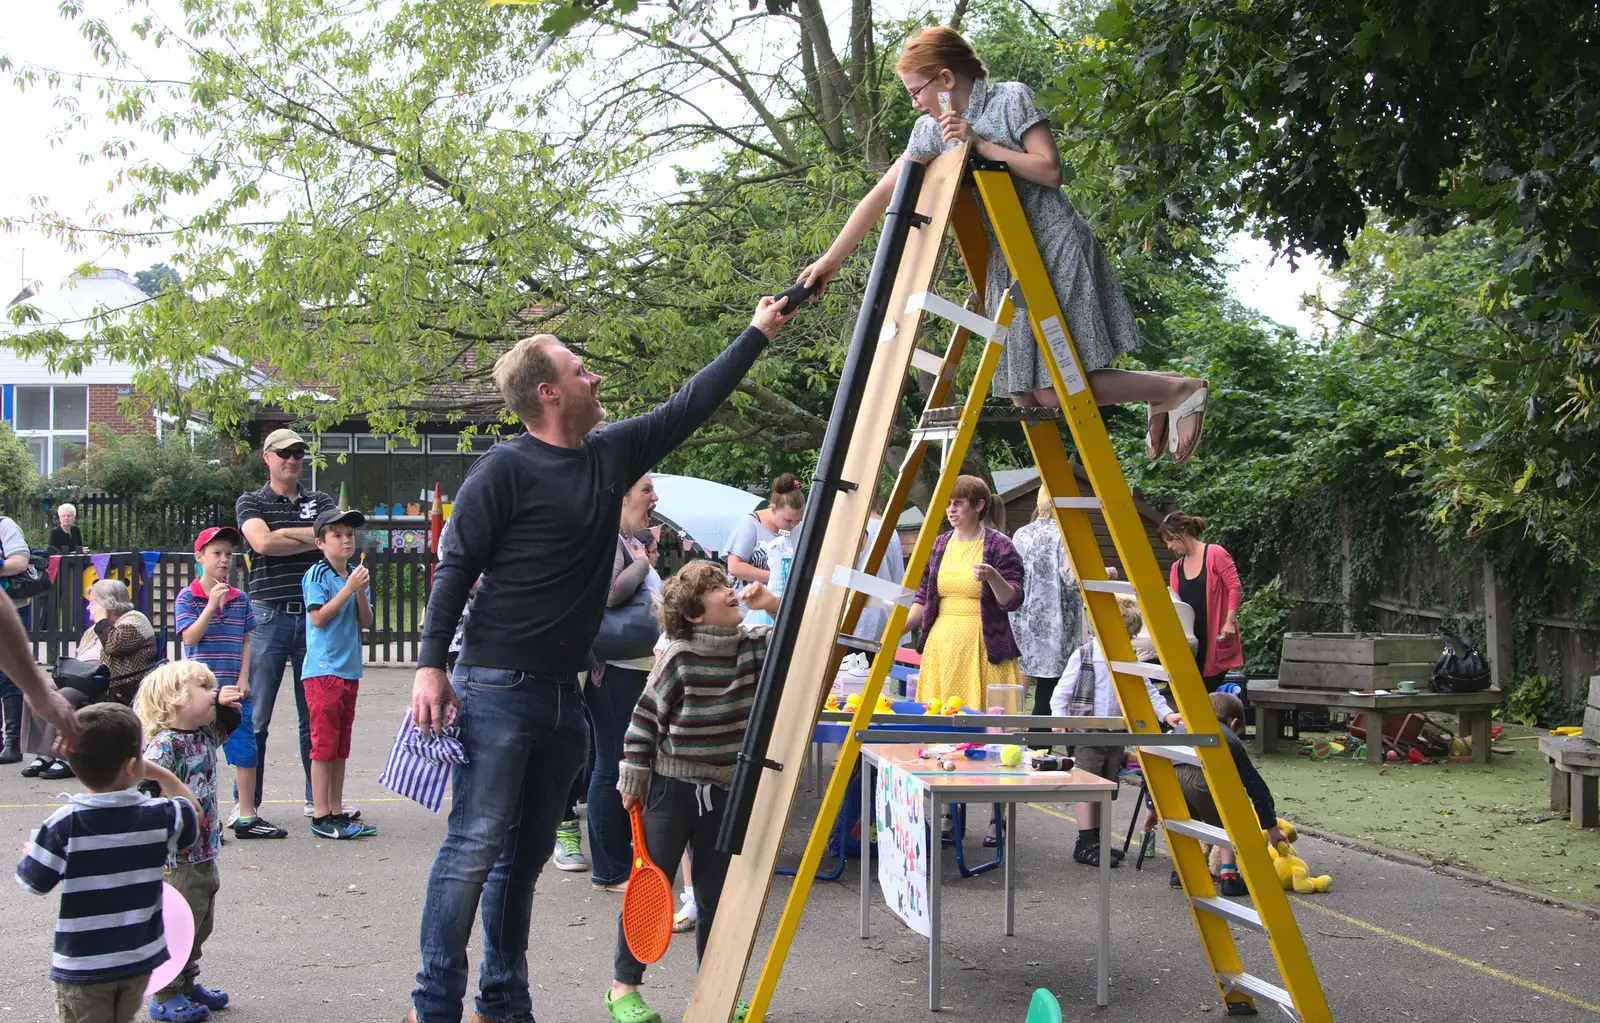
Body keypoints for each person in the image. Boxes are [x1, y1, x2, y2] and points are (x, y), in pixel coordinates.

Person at [406, 295, 794, 1023]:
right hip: (494, 684)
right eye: (579, 368)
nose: (594, 376)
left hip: (562, 693)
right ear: (547, 391)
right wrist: (430, 665)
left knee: (520, 862)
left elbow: (688, 406)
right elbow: (454, 567)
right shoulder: (503, 471)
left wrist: (757, 332)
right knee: (474, 847)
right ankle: (432, 1007)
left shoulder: (607, 456)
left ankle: (502, 999)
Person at [797, 26, 1211, 463]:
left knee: (1052, 388)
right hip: (1007, 261)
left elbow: (1050, 170)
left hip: (1053, 246)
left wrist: (979, 143)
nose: (914, 101)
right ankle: (1160, 387)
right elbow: (884, 195)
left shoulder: (1011, 98)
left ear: (945, 79)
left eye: (916, 90)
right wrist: (830, 260)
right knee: (1025, 395)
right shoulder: (929, 131)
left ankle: (1175, 389)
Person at [604, 562, 779, 1023]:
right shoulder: (678, 656)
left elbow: (805, 645)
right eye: (718, 588)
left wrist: (774, 605)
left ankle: (716, 991)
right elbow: (644, 719)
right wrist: (633, 775)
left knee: (715, 897)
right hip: (669, 787)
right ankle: (623, 989)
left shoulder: (753, 646)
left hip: (724, 790)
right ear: (696, 615)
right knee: (651, 886)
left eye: (726, 583)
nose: (730, 591)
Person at [16, 703, 198, 1023]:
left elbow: (34, 881)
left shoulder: (63, 823)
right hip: (138, 962)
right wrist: (159, 771)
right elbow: (193, 812)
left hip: (83, 968)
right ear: (132, 765)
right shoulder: (158, 816)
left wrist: (35, 852)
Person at [135, 661, 245, 1022]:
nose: (213, 693)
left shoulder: (204, 734)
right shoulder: (164, 744)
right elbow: (143, 783)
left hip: (203, 852)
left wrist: (225, 705)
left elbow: (229, 725)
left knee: (201, 922)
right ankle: (164, 993)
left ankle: (186, 982)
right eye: (204, 687)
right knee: (176, 926)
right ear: (176, 699)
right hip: (175, 857)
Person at [235, 427, 337, 818]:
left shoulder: (321, 500)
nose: (293, 459)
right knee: (256, 715)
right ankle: (247, 805)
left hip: (315, 619)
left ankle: (318, 801)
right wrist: (313, 536)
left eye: (298, 453)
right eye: (284, 453)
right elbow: (261, 543)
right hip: (268, 615)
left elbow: (335, 538)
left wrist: (287, 535)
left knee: (314, 714)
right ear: (267, 457)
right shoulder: (251, 501)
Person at [1050, 595, 1181, 867]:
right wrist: (1059, 718)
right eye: (1125, 634)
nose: (1128, 640)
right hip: (1088, 731)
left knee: (1105, 787)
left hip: (1115, 733)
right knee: (1086, 786)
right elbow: (1061, 693)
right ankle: (1085, 842)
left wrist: (1166, 713)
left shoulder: (1127, 661)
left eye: (1131, 636)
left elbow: (1147, 691)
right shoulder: (1084, 654)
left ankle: (1095, 839)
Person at [176, 525, 286, 839]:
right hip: (201, 692)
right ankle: (199, 815)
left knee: (245, 749)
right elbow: (190, 637)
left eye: (228, 554)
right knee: (198, 753)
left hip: (235, 688)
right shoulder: (189, 597)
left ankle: (247, 815)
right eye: (217, 554)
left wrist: (243, 676)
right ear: (200, 557)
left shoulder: (240, 599)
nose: (224, 560)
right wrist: (210, 605)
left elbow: (247, 640)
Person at [576, 473, 659, 888]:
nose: (654, 497)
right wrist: (644, 563)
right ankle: (610, 869)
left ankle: (623, 857)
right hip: (615, 670)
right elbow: (608, 594)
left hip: (629, 667)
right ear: (622, 495)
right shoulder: (610, 539)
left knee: (620, 762)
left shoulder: (623, 539)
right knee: (612, 763)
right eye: (646, 489)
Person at [904, 475, 1025, 713]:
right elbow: (922, 597)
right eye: (948, 503)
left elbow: (1013, 600)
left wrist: (993, 577)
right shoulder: (939, 544)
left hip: (982, 649)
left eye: (958, 503)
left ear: (979, 506)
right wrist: (896, 630)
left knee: (981, 722)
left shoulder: (1000, 545)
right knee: (940, 718)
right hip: (941, 648)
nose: (950, 510)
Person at [1155, 690, 1285, 895]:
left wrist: (1151, 806)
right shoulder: (1229, 738)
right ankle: (1229, 877)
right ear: (1233, 723)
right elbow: (1256, 786)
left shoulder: (1178, 730)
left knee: (1185, 823)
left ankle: (1183, 872)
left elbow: (1154, 765)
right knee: (1229, 818)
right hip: (1202, 781)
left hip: (1171, 780)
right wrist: (1272, 829)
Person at [302, 508, 375, 839]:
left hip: (348, 670)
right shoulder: (317, 575)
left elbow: (365, 621)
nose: (346, 540)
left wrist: (358, 590)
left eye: (350, 535)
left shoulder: (355, 575)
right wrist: (348, 589)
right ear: (320, 542)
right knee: (324, 744)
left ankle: (335, 808)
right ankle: (320, 814)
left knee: (341, 744)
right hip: (323, 670)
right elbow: (318, 618)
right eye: (338, 535)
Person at [1009, 488, 1083, 721]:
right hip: (1054, 622)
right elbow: (1073, 579)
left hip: (1022, 620)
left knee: (1018, 683)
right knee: (1051, 689)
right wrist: (1106, 575)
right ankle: (1040, 742)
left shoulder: (1021, 533)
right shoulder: (1065, 534)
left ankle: (1010, 732)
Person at [1161, 510, 1244, 692]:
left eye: (1170, 539)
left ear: (1183, 532)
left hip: (1215, 639)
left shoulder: (1215, 553)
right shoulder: (1176, 568)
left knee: (1204, 692)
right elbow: (1177, 605)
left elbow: (1235, 587)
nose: (1169, 546)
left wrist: (1230, 622)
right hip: (1190, 644)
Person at [0, 510, 38, 764]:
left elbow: (20, 562)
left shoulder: (5, 526)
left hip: (10, 610)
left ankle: (13, 743)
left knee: (9, 674)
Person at [725, 473, 804, 591]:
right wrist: (777, 577)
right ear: (773, 509)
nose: (793, 525)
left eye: (798, 520)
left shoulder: (799, 527)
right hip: (746, 602)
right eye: (788, 520)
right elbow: (735, 567)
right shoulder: (751, 524)